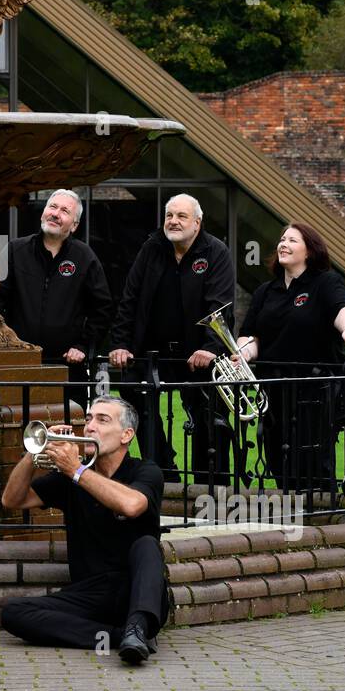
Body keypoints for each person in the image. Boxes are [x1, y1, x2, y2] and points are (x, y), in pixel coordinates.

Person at [0, 396, 170, 665]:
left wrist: (76, 470)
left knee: (147, 545)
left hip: (137, 589)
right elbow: (12, 500)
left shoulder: (145, 471)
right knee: (13, 613)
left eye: (103, 420)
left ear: (127, 435)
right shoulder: (70, 477)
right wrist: (34, 455)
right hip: (90, 594)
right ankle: (121, 636)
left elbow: (132, 504)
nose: (90, 426)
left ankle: (138, 626)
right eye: (89, 419)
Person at [108, 194, 236, 483]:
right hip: (153, 352)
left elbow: (221, 305)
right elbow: (129, 299)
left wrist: (210, 348)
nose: (173, 221)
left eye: (181, 216)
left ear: (197, 222)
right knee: (133, 395)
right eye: (169, 215)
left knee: (208, 418)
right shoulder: (151, 248)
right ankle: (164, 474)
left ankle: (211, 485)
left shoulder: (216, 252)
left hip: (200, 355)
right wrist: (120, 344)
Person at [235, 222, 345, 492]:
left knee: (312, 459)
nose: (283, 244)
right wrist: (244, 351)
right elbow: (251, 335)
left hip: (313, 389)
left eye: (292, 240)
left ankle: (319, 519)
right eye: (282, 239)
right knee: (276, 456)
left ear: (309, 250)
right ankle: (289, 518)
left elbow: (343, 309)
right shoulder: (265, 292)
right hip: (272, 389)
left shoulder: (325, 282)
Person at [0, 189, 111, 413]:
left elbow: (102, 308)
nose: (56, 214)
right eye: (52, 207)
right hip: (19, 363)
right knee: (18, 432)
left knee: (65, 433)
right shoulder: (16, 251)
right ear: (42, 214)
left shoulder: (85, 257)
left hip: (66, 367)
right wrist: (5, 342)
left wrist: (83, 345)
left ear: (74, 225)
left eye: (65, 211)